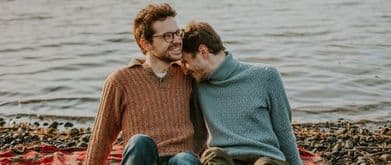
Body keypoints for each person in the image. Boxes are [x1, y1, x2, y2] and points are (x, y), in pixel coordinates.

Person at [86, 4, 205, 165]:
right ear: (145, 43)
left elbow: (206, 121)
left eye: (178, 33)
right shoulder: (121, 80)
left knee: (184, 158)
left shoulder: (188, 75)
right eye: (167, 36)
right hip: (142, 159)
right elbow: (101, 137)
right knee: (140, 142)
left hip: (180, 160)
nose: (177, 40)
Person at [181, 21, 303, 165]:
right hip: (227, 159)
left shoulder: (266, 76)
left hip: (266, 158)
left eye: (185, 61)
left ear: (203, 52)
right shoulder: (197, 83)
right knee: (213, 154)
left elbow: (284, 131)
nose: (184, 69)